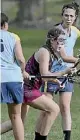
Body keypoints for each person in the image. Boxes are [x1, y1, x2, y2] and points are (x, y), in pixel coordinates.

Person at [1, 27, 76, 140]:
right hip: (27, 88)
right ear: (52, 40)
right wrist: (64, 72)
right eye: (59, 40)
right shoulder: (44, 52)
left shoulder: (51, 52)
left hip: (28, 87)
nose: (62, 44)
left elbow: (44, 75)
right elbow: (45, 75)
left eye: (63, 41)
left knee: (17, 122)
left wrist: (55, 80)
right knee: (54, 109)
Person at [34, 2, 80, 140]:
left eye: (71, 16)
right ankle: (38, 136)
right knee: (46, 109)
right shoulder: (56, 32)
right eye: (66, 15)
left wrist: (73, 65)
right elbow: (59, 54)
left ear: (75, 17)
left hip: (68, 73)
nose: (68, 18)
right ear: (62, 15)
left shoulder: (75, 32)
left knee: (65, 107)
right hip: (52, 73)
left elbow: (69, 52)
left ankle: (67, 137)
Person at [0, 12, 29, 140]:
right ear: (5, 25)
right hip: (13, 78)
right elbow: (21, 59)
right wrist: (23, 71)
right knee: (16, 115)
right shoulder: (13, 37)